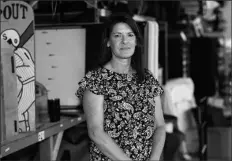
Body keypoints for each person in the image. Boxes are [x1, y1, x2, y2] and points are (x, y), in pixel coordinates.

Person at [76, 13, 166, 161]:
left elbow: (160, 125)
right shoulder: (96, 80)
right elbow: (95, 132)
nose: (125, 41)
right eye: (117, 35)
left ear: (136, 41)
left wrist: (154, 158)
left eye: (130, 35)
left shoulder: (147, 78)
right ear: (108, 42)